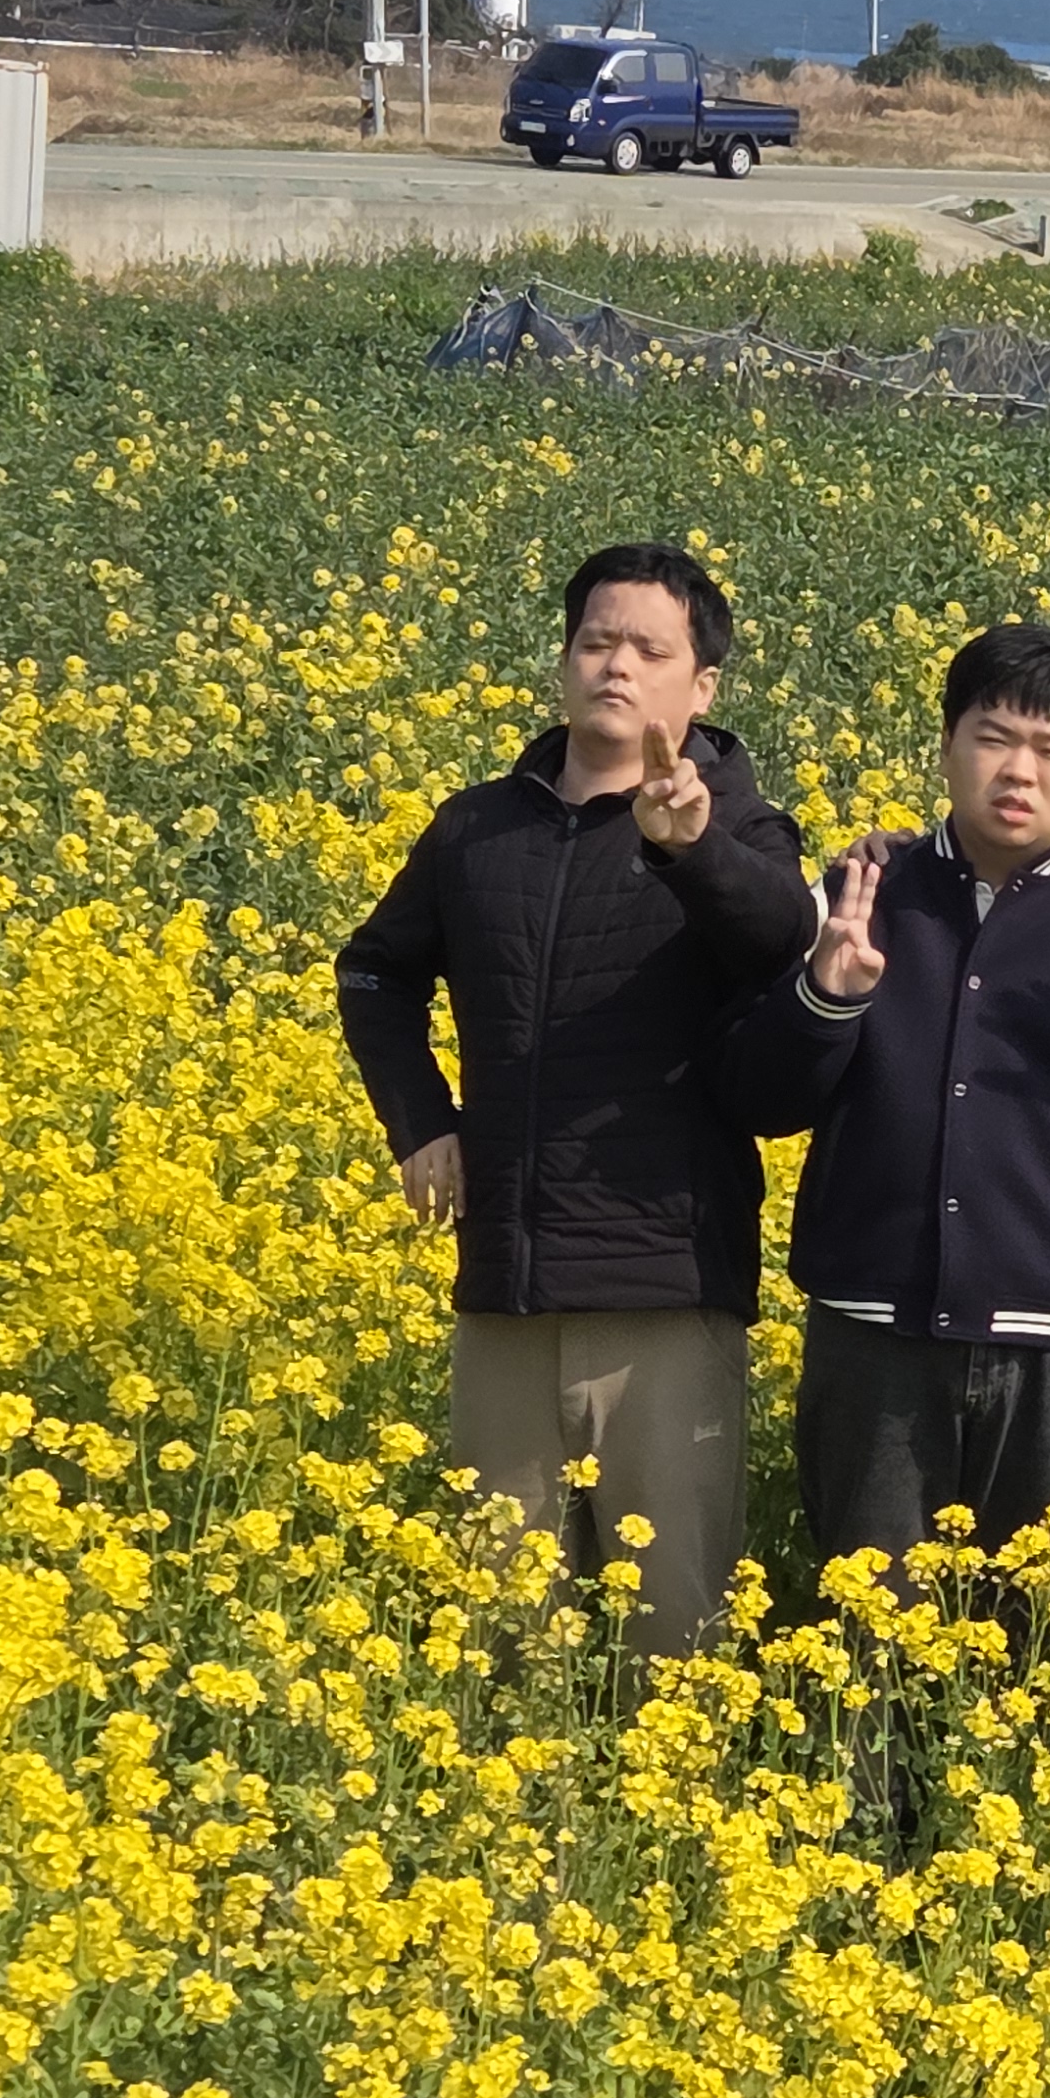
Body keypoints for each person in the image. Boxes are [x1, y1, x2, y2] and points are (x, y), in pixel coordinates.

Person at [334, 541, 811, 1654]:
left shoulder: (743, 829)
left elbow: (782, 942)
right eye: (596, 641)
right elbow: (374, 974)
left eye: (650, 650)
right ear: (563, 662)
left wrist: (690, 849)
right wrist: (421, 1122)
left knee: (674, 1634)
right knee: (500, 1633)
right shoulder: (477, 829)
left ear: (702, 688)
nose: (617, 666)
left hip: (664, 1292)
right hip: (503, 1287)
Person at [720, 624, 1050, 1570]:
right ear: (947, 745)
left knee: (1038, 1632)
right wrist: (828, 998)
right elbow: (762, 1101)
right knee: (867, 1627)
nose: (1019, 771)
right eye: (993, 738)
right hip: (873, 1340)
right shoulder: (854, 900)